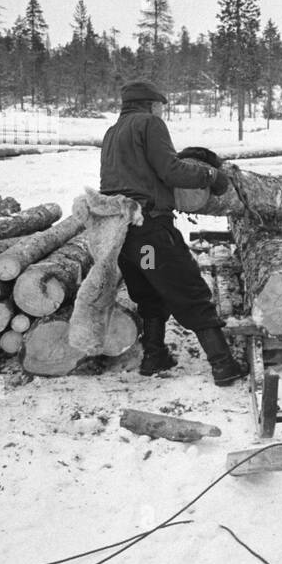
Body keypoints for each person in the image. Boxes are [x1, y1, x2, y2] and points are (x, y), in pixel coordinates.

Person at [99, 78, 244, 385]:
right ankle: (223, 364)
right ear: (151, 104)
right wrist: (210, 175)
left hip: (123, 235)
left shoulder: (113, 132)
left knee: (150, 287)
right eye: (160, 105)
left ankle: (154, 356)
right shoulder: (149, 124)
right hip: (149, 230)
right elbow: (170, 170)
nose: (161, 111)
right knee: (188, 289)